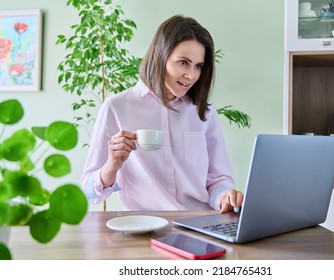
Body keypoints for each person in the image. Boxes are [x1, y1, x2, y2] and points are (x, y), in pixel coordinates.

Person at [81, 14, 243, 213]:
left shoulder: (204, 112)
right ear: (160, 55)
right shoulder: (117, 107)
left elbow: (218, 181)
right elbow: (89, 190)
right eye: (183, 62)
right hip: (144, 228)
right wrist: (111, 165)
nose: (191, 75)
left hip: (200, 224)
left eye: (198, 66)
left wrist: (225, 196)